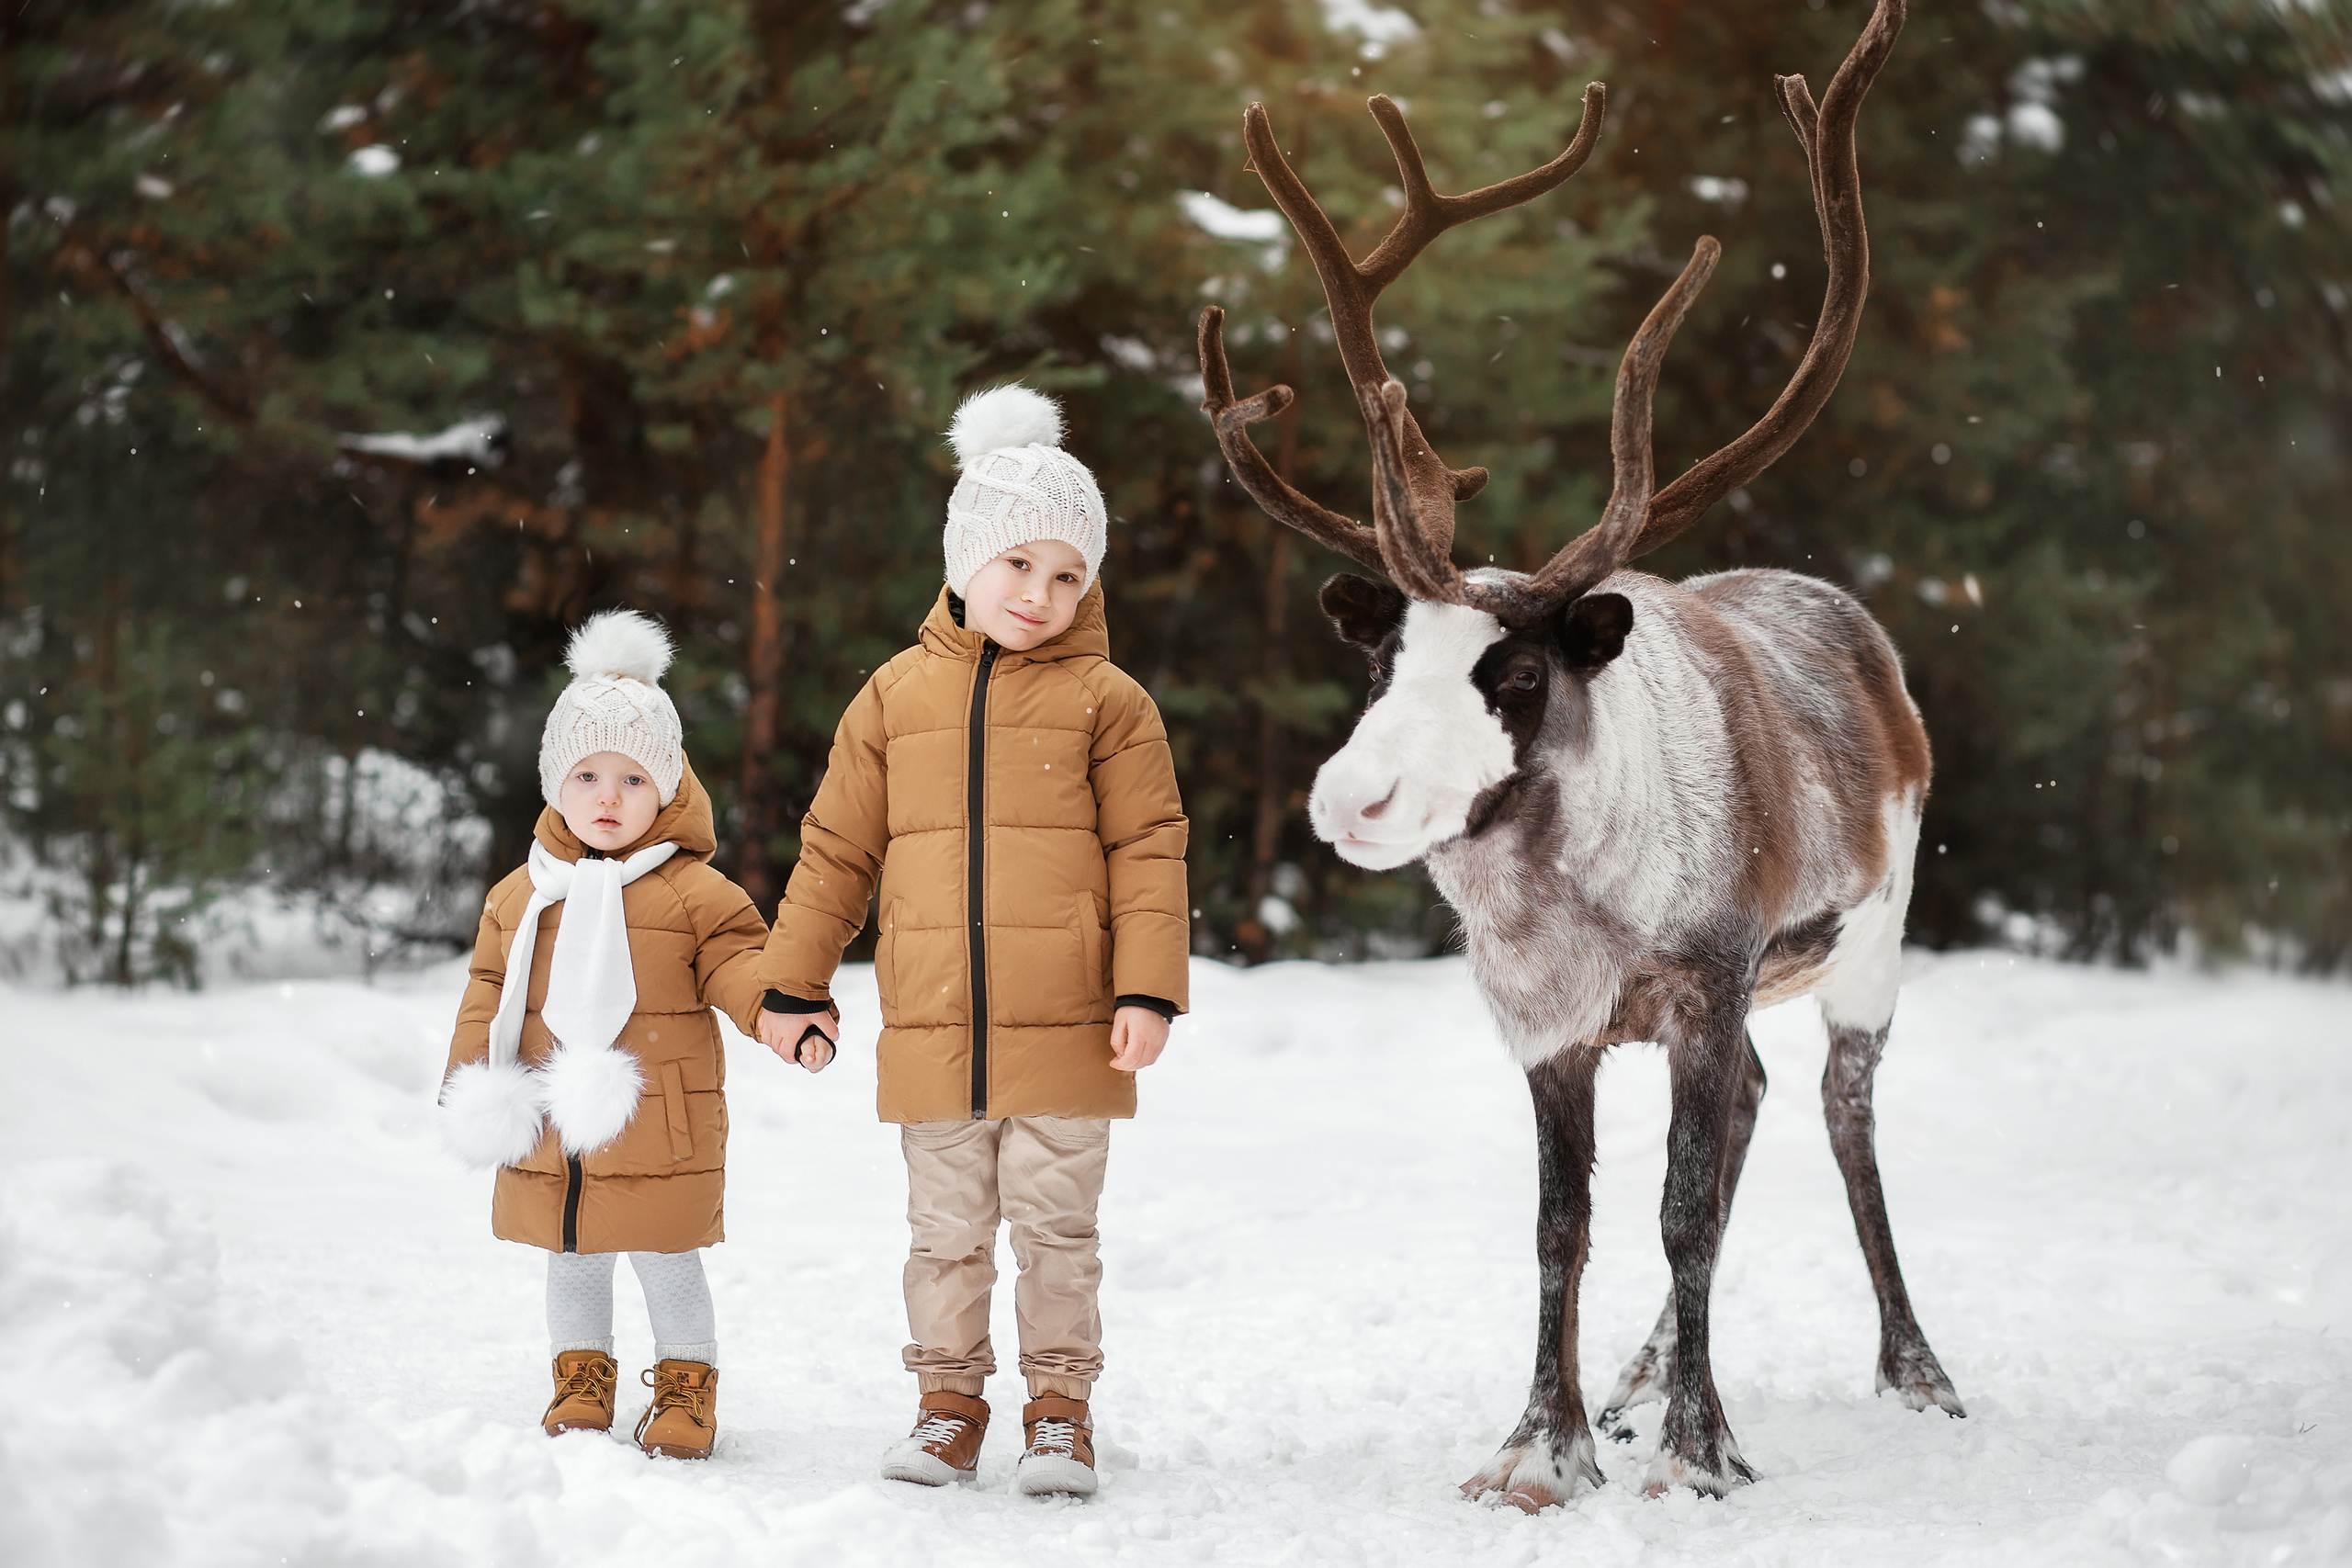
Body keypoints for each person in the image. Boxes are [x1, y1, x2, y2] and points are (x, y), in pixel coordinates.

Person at [752, 384, 1190, 1497]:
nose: (1040, 594)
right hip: (935, 1021)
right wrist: (792, 985)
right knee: (944, 1235)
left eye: (1068, 574)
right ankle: (946, 1406)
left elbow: (1149, 851)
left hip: (1073, 1030)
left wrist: (1147, 991)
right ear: (962, 560)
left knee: (1056, 1234)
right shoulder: (893, 698)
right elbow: (836, 848)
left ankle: (1058, 1413)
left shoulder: (1111, 703)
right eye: (1018, 566)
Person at [437, 610, 778, 1461]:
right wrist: (472, 1078)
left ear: (665, 787)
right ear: (557, 783)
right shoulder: (524, 893)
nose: (608, 797)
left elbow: (740, 962)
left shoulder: (695, 892)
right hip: (557, 1126)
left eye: (632, 778)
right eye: (587, 775)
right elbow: (488, 992)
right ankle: (581, 1377)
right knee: (573, 1254)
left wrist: (777, 1010)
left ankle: (685, 1385)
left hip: (657, 1121)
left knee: (666, 1259)